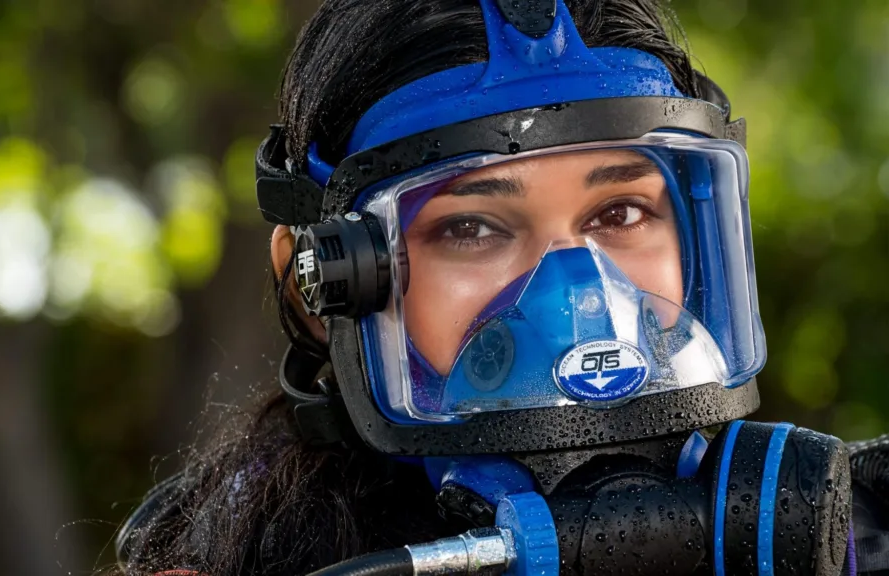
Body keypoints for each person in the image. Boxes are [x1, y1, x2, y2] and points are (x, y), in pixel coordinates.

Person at [115, 1, 889, 575]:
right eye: (471, 229)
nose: (578, 298)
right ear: (315, 287)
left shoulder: (832, 530)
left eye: (620, 211)